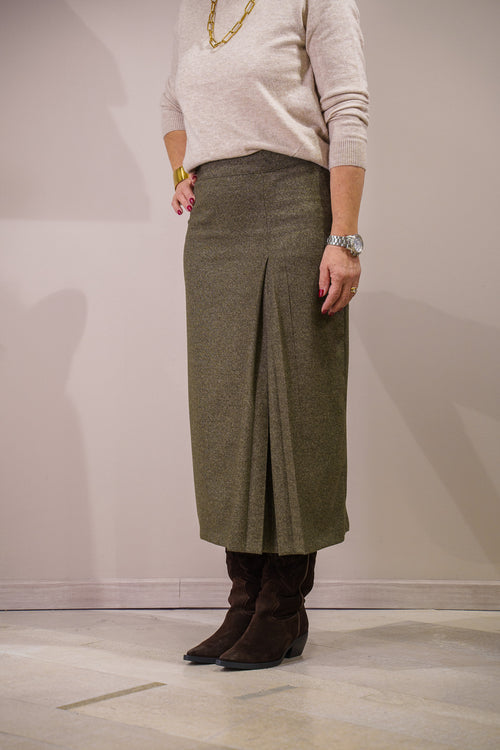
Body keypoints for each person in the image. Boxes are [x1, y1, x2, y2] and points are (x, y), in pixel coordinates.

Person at [160, 0, 369, 670]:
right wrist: (182, 170)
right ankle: (244, 599)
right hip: (216, 221)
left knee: (296, 407)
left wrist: (344, 237)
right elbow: (172, 104)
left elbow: (348, 110)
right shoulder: (195, 10)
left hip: (294, 203)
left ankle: (282, 605)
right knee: (226, 411)